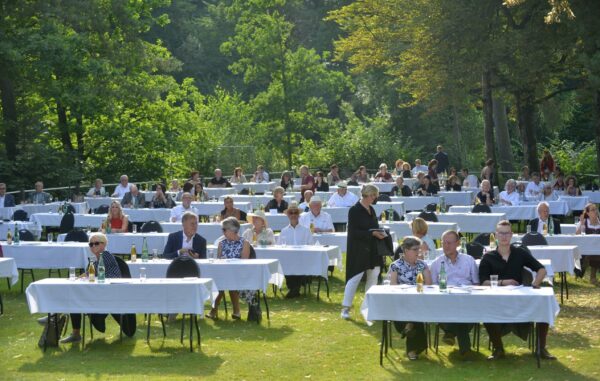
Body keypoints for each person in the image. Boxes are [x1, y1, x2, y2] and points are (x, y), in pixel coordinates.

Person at [479, 220, 554, 360]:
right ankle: (498, 349)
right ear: (496, 235)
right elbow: (483, 282)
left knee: (543, 305)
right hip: (497, 301)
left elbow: (541, 269)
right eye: (501, 233)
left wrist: (535, 284)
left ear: (511, 235)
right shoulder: (488, 257)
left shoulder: (520, 253)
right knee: (486, 310)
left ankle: (541, 349)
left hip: (520, 300)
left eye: (507, 233)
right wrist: (503, 282)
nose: (504, 237)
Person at [59, 233, 136, 343]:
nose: (93, 246)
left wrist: (90, 278)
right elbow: (86, 275)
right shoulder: (94, 262)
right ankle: (71, 329)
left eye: (96, 243)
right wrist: (75, 279)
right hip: (99, 294)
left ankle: (58, 316)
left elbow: (111, 278)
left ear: (104, 244)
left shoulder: (106, 256)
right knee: (74, 293)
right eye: (91, 244)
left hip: (111, 295)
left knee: (75, 297)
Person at [429, 230, 478, 358]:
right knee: (459, 316)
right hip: (445, 303)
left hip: (467, 301)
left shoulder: (469, 260)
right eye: (443, 243)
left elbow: (477, 284)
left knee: (462, 312)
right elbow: (432, 286)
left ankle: (450, 333)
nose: (445, 246)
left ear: (457, 243)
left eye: (449, 243)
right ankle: (465, 351)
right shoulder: (436, 263)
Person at [341, 184, 385, 319]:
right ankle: (345, 308)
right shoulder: (354, 210)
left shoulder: (371, 209)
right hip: (359, 249)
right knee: (355, 278)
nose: (375, 198)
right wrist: (372, 234)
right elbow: (354, 232)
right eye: (373, 196)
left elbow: (374, 228)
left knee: (373, 276)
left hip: (372, 249)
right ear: (367, 195)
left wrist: (380, 233)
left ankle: (368, 307)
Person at [387, 236, 432, 360]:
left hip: (419, 301)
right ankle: (412, 348)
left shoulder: (422, 265)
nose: (419, 252)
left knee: (414, 312)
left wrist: (426, 271)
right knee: (413, 314)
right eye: (415, 249)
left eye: (419, 249)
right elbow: (393, 285)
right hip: (401, 301)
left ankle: (408, 326)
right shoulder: (395, 265)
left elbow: (429, 285)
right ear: (406, 250)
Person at [208, 217, 252, 319]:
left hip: (240, 273)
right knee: (222, 281)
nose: (222, 232)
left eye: (224, 229)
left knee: (229, 281)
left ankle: (215, 310)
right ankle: (234, 311)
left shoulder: (244, 243)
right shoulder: (221, 243)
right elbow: (218, 261)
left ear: (233, 230)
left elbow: (244, 262)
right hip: (223, 273)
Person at [278, 203, 314, 298]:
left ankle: (294, 289)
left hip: (303, 259)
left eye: (295, 213)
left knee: (298, 263)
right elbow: (278, 247)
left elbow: (311, 246)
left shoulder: (306, 230)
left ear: (299, 215)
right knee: (286, 263)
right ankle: (295, 288)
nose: (293, 215)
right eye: (291, 213)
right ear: (288, 215)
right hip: (288, 259)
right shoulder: (284, 231)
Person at [576, 203, 600, 285]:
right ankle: (583, 273)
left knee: (597, 253)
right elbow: (577, 235)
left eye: (595, 209)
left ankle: (592, 277)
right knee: (591, 254)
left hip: (597, 247)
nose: (595, 211)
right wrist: (581, 223)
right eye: (592, 210)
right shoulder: (585, 222)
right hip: (585, 247)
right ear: (587, 213)